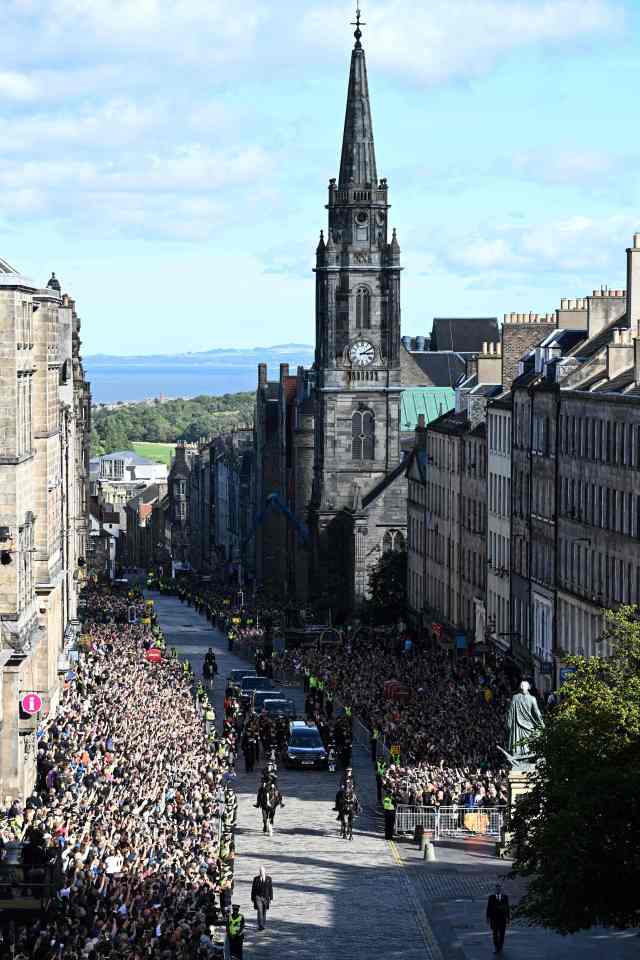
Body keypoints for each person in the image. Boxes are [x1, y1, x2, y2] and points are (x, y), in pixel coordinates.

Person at [486, 882, 510, 953]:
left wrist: (508, 918)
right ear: (495, 890)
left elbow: (507, 908)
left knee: (502, 933)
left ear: (501, 889)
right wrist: (488, 918)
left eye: (499, 889)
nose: (498, 890)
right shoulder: (491, 897)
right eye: (497, 889)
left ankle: (500, 946)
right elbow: (489, 908)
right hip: (494, 919)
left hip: (502, 919)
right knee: (495, 934)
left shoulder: (505, 897)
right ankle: (496, 947)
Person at [251, 865, 274, 931]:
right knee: (259, 911)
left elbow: (270, 888)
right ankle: (260, 925)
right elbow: (253, 889)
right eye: (260, 871)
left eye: (263, 871)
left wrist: (271, 897)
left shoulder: (269, 879)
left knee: (264, 911)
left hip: (266, 897)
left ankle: (263, 924)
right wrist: (252, 897)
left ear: (265, 871)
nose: (262, 872)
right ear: (259, 872)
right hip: (258, 897)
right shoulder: (256, 879)